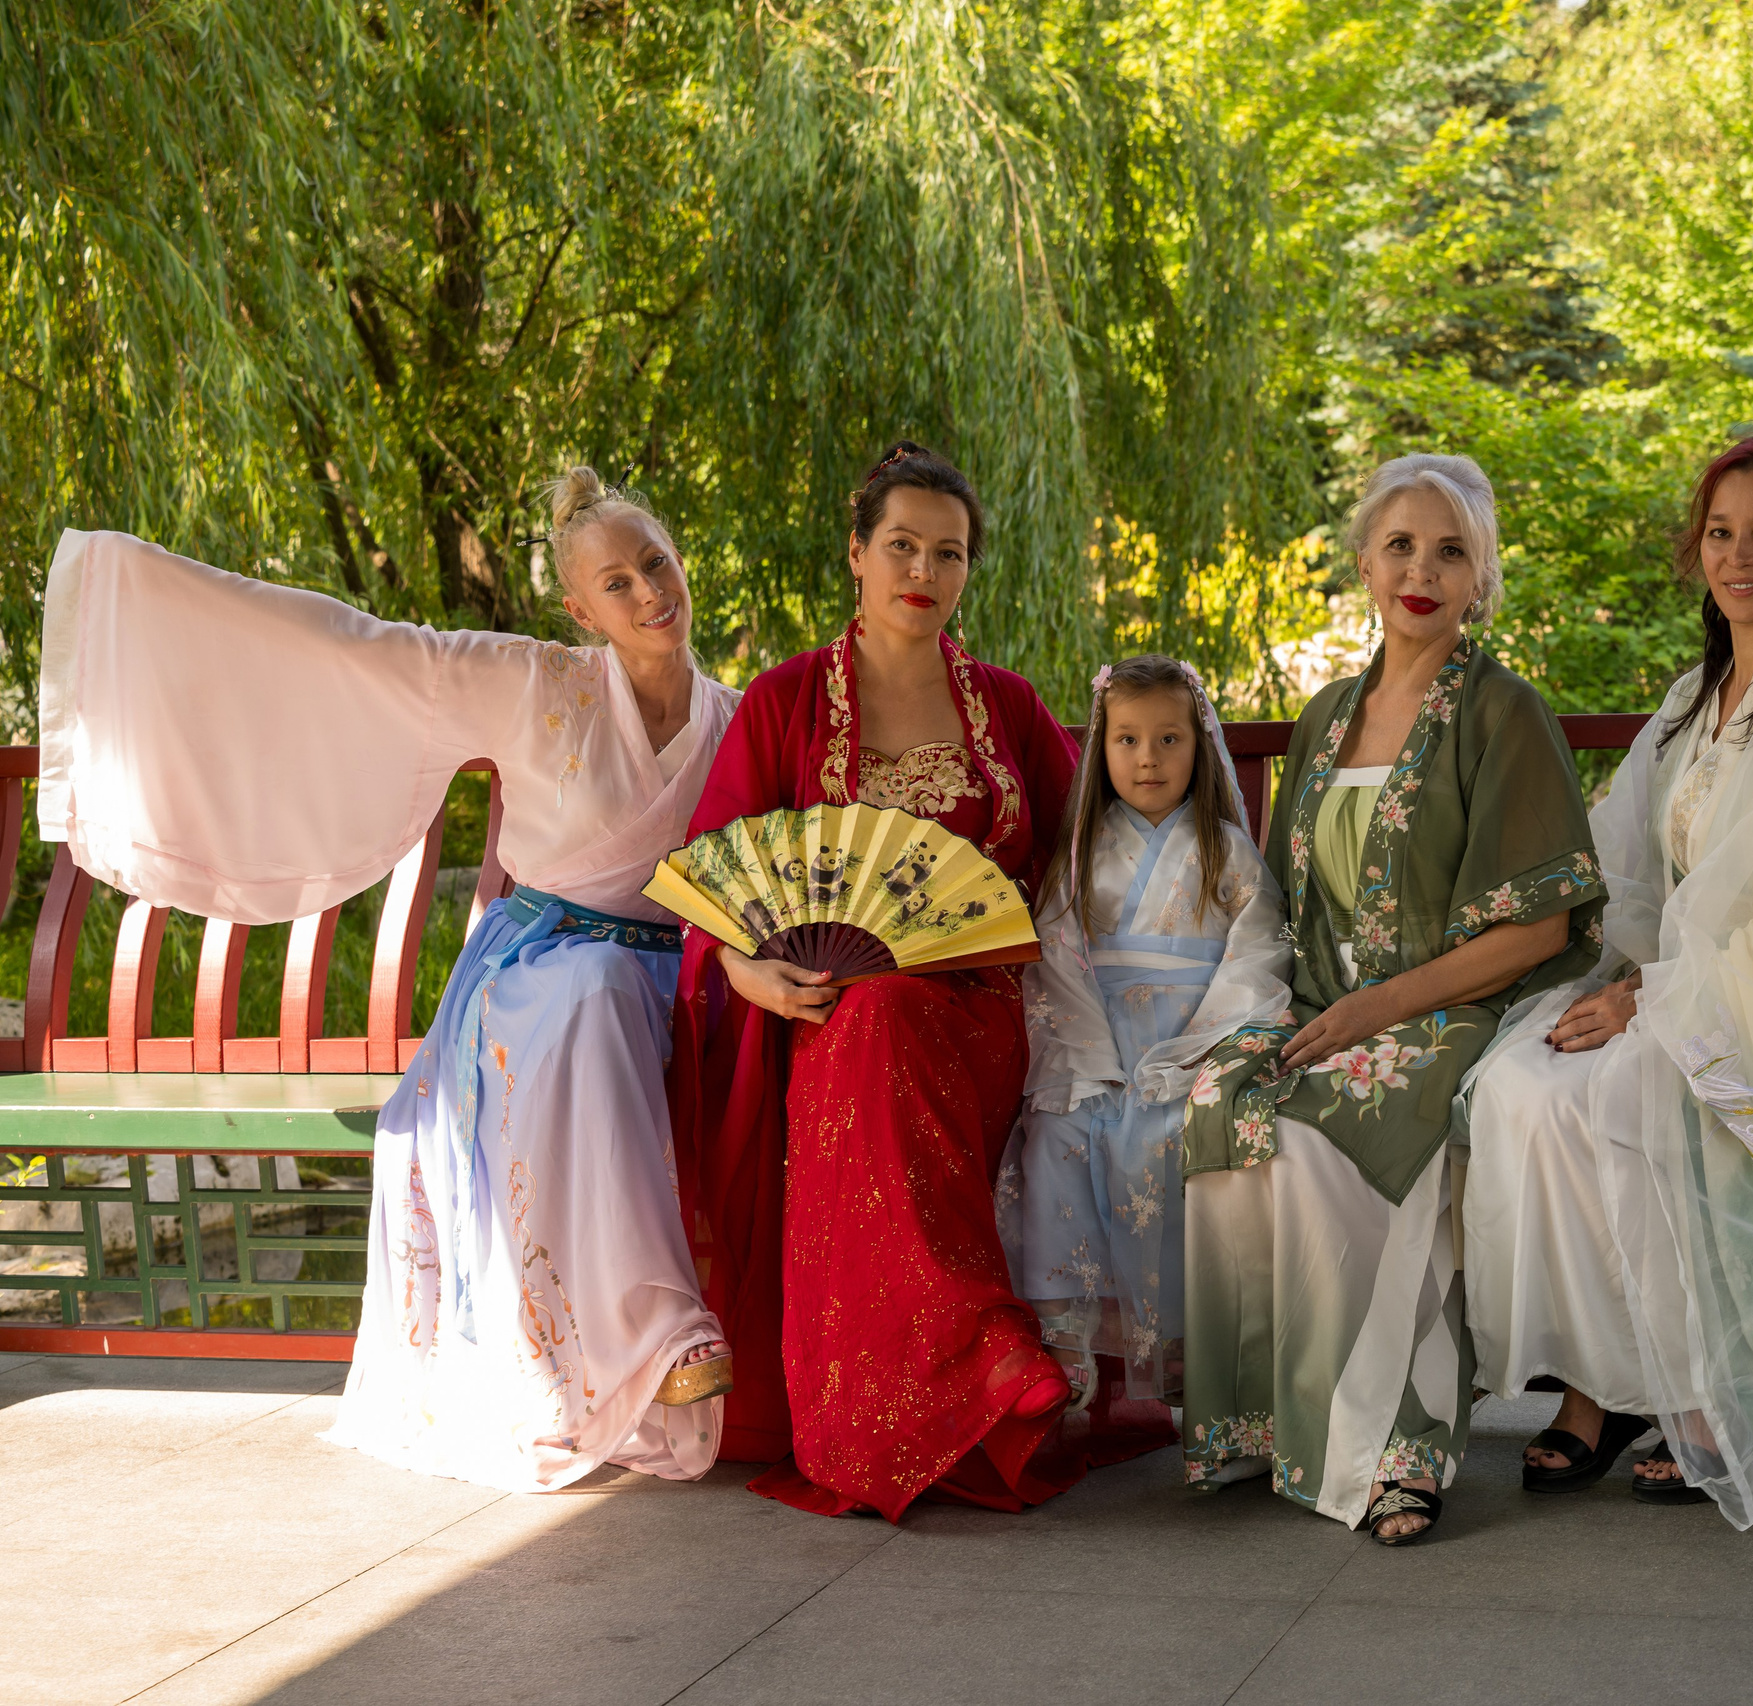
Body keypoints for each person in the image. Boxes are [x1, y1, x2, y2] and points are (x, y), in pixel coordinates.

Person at [37, 470, 741, 1491]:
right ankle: (658, 1327)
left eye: (656, 565)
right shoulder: (535, 679)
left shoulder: (737, 715)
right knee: (593, 996)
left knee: (642, 1001)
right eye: (615, 582)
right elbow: (354, 647)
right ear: (578, 609)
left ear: (682, 562)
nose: (647, 594)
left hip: (681, 970)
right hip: (545, 969)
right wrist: (143, 586)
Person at [1463, 434, 1753, 1528]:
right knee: (1518, 1086)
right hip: (1680, 991)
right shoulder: (1694, 696)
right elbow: (1617, 856)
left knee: (1623, 1097)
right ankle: (1601, 1381)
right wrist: (1576, 958)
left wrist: (1646, 1002)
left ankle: (1702, 1388)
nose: (1739, 555)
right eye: (1720, 532)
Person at [672, 440, 1148, 1521]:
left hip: (988, 1013)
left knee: (887, 1019)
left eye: (949, 551)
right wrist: (750, 973)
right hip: (821, 1012)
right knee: (870, 1016)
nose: (922, 569)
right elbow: (710, 886)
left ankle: (974, 1363)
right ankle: (968, 1362)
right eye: (901, 544)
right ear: (855, 553)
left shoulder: (1011, 709)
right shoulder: (787, 702)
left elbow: (1089, 865)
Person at [1180, 454, 1606, 1545]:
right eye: (1402, 545)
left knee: (1333, 1132)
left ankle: (1394, 1449)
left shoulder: (1503, 713)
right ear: (1365, 559)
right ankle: (1264, 1420)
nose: (1422, 569)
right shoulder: (1325, 716)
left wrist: (1378, 1013)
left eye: (1450, 551)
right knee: (1223, 1104)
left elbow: (1542, 924)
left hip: (1462, 1002)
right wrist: (1287, 1014)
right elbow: (1290, 900)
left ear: (1480, 580)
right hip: (1332, 997)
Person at [1000, 654, 1295, 1408]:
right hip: (1097, 1044)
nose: (1148, 758)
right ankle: (1067, 1343)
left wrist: (1196, 1050)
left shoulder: (1225, 850)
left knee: (1176, 1131)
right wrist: (1090, 1060)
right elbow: (1055, 959)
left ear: (1198, 746)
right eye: (1127, 739)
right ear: (1102, 749)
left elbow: (1257, 951)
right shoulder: (1076, 856)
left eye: (1169, 739)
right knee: (1060, 1135)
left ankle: (1180, 1345)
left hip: (1190, 1044)